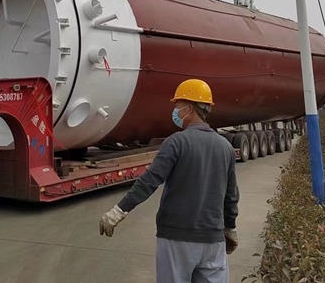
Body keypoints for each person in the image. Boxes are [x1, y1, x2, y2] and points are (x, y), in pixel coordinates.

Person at [99, 79, 240, 283]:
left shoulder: (176, 142)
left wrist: (119, 211)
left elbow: (149, 181)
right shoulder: (225, 147)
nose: (175, 112)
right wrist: (230, 227)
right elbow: (231, 195)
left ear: (189, 108)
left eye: (178, 106)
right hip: (213, 240)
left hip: (177, 238)